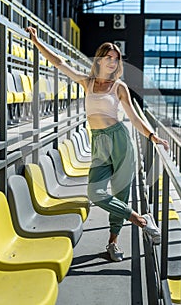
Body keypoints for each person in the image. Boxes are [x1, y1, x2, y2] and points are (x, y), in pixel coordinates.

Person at [26, 27, 169, 262]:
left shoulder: (119, 87)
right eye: (108, 58)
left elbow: (134, 117)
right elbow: (59, 62)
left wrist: (152, 136)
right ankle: (142, 220)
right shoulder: (87, 82)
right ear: (100, 59)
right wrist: (37, 41)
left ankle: (113, 243)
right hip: (99, 142)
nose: (112, 62)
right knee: (96, 192)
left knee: (121, 196)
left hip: (119, 140)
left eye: (116, 59)